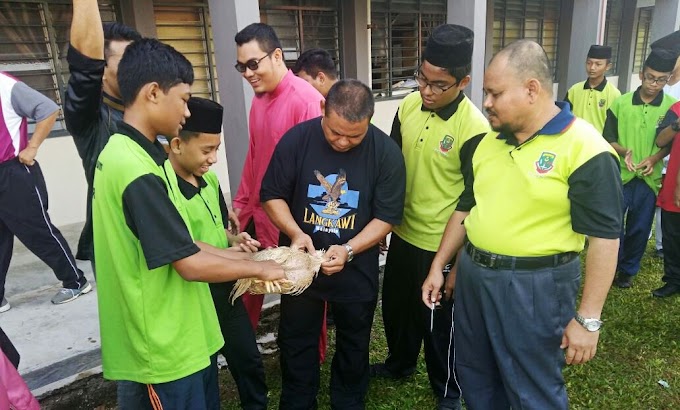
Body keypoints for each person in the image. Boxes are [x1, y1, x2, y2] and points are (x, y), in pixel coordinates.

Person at [422, 40, 623, 409]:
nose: (486, 103)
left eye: (495, 93)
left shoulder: (586, 150)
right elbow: (467, 207)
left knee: (531, 386)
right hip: (475, 277)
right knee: (476, 374)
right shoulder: (487, 143)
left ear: (532, 89)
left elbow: (605, 240)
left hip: (535, 286)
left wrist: (588, 319)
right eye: (486, 93)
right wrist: (440, 265)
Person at [92, 38, 284, 409]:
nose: (185, 111)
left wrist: (248, 260)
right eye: (182, 99)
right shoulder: (135, 169)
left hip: (184, 335)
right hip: (163, 346)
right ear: (152, 93)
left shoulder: (133, 155)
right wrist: (257, 269)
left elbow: (186, 243)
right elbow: (189, 263)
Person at [261, 80, 406, 409]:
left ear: (368, 120)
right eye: (335, 132)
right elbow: (272, 195)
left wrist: (351, 248)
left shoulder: (385, 153)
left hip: (356, 265)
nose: (342, 142)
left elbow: (387, 216)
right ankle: (298, 400)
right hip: (302, 264)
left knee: (355, 340)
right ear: (323, 112)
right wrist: (296, 233)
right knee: (297, 338)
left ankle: (348, 399)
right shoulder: (297, 140)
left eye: (354, 136)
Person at [369, 24, 488, 410]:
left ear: (463, 81)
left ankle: (447, 388)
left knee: (439, 324)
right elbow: (391, 166)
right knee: (398, 309)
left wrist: (454, 264)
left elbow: (473, 200)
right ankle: (399, 363)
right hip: (403, 232)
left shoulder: (474, 129)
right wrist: (383, 219)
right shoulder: (407, 106)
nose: (426, 90)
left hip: (441, 241)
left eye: (439, 84)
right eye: (422, 78)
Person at [167, 96, 268, 408]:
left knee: (248, 360)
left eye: (217, 150)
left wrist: (236, 242)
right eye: (206, 150)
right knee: (204, 371)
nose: (213, 159)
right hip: (195, 296)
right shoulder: (162, 187)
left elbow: (218, 229)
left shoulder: (209, 181)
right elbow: (186, 245)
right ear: (177, 144)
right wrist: (251, 265)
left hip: (227, 289)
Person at [233, 22, 325, 330]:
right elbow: (254, 157)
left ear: (276, 55)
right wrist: (241, 204)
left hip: (291, 221)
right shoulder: (258, 100)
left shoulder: (306, 100)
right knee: (245, 286)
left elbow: (316, 173)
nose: (247, 73)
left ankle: (310, 357)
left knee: (301, 298)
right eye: (241, 67)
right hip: (257, 215)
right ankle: (246, 352)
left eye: (252, 64)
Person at [0, 71, 91, 312]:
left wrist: (32, 147)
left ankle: (75, 281)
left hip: (13, 173)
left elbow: (48, 109)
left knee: (38, 232)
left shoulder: (6, 85)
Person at [64, 0, 142, 268]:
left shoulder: (150, 107)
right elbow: (85, 67)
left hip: (162, 231)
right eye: (126, 61)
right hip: (116, 241)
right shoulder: (91, 117)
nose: (137, 68)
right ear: (103, 68)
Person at [602, 49, 677, 289]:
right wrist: (624, 152)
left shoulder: (671, 106)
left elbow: (668, 143)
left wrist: (654, 159)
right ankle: (611, 265)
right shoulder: (620, 103)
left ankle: (627, 270)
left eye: (662, 79)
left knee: (640, 227)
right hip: (620, 175)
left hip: (648, 178)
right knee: (614, 226)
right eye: (651, 77)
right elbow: (608, 137)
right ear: (642, 75)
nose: (654, 84)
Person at [651, 101, 680, 297]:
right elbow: (660, 141)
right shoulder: (676, 109)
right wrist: (677, 124)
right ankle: (673, 280)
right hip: (673, 188)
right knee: (671, 237)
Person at [564, 45, 621, 133]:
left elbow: (614, 127)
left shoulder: (614, 94)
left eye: (598, 64)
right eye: (589, 63)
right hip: (575, 142)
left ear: (608, 66)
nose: (592, 68)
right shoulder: (574, 90)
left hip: (599, 144)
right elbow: (564, 117)